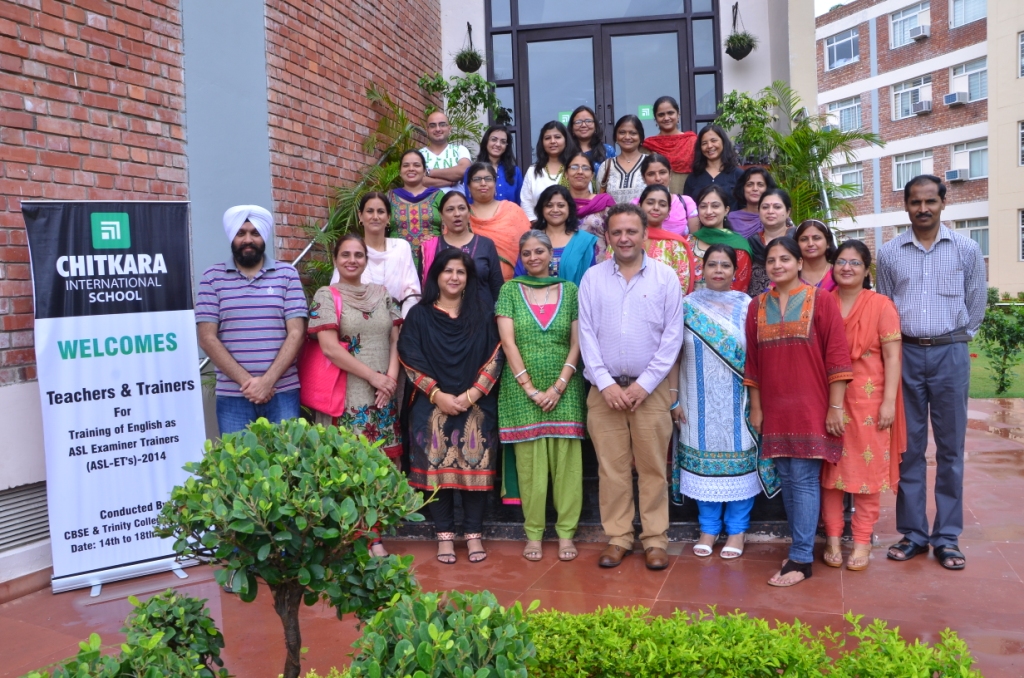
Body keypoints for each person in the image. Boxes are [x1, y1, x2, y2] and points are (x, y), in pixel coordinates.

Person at [876, 175, 986, 571]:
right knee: (908, 448)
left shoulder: (966, 249)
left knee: (951, 449)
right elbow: (885, 305)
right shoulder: (889, 252)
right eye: (915, 202)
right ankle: (914, 534)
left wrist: (955, 339)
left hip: (949, 354)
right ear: (905, 205)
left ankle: (947, 536)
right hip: (904, 354)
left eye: (930, 202)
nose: (923, 209)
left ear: (943, 203)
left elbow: (977, 302)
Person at [579, 203, 683, 571]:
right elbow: (586, 335)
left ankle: (655, 540)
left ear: (644, 235)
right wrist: (606, 384)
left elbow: (672, 337)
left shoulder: (666, 277)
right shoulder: (592, 279)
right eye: (617, 232)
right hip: (604, 392)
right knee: (612, 470)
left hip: (650, 393)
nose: (624, 238)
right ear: (608, 237)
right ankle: (619, 537)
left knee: (653, 468)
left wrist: (645, 384)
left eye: (631, 231)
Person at [745, 237, 852, 587]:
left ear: (799, 263)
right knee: (788, 479)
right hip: (775, 407)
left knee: (803, 480)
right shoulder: (756, 306)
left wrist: (835, 407)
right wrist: (757, 408)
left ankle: (802, 558)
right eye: (771, 260)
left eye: (785, 259)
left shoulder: (821, 300)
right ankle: (799, 550)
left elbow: (837, 356)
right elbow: (753, 363)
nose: (777, 265)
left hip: (812, 405)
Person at [398, 249, 504, 565]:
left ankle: (473, 535)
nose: (454, 277)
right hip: (431, 405)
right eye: (448, 271)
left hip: (477, 404)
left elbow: (497, 355)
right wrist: (437, 395)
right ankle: (444, 537)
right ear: (436, 276)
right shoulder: (419, 315)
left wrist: (472, 395)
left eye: (460, 272)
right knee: (437, 472)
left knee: (475, 469)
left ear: (468, 278)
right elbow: (409, 355)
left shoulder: (483, 314)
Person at [671, 244, 775, 559]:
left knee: (740, 465)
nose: (718, 270)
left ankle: (737, 531)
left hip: (738, 402)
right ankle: (708, 529)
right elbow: (673, 354)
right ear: (702, 269)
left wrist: (758, 403)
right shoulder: (685, 306)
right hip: (694, 400)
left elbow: (758, 357)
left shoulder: (748, 306)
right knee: (702, 466)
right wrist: (674, 399)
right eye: (712, 264)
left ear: (735, 271)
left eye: (725, 265)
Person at [309, 233, 403, 557]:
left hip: (383, 394)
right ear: (336, 259)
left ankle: (375, 535)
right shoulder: (326, 295)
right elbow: (330, 349)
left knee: (380, 466)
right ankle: (354, 539)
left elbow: (396, 339)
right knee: (349, 466)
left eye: (358, 255)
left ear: (366, 259)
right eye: (345, 255)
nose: (352, 260)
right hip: (347, 395)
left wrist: (390, 380)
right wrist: (374, 378)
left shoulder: (382, 294)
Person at [497, 231, 586, 562]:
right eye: (527, 253)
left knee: (568, 467)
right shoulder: (509, 290)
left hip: (567, 390)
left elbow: (577, 342)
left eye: (539, 251)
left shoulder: (570, 290)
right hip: (521, 393)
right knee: (530, 468)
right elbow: (508, 343)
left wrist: (559, 386)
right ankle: (533, 534)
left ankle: (566, 535)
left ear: (551, 254)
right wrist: (531, 389)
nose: (533, 257)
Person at [821, 239, 906, 571]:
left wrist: (888, 403)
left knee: (867, 475)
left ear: (866, 269)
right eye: (841, 261)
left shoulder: (881, 305)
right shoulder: (822, 303)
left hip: (871, 402)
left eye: (855, 262)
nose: (847, 268)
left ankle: (861, 542)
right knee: (830, 473)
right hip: (830, 400)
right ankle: (832, 538)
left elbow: (893, 357)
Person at [197, 205, 307, 435]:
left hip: (282, 392)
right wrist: (249, 383)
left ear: (264, 236)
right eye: (241, 233)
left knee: (287, 456)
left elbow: (297, 333)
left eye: (255, 233)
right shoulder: (212, 278)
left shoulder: (287, 275)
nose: (248, 239)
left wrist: (267, 382)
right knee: (237, 458)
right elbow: (207, 338)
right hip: (233, 396)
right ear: (232, 236)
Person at [330, 192, 420, 317]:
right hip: (358, 321)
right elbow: (337, 291)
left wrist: (404, 323)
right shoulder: (352, 251)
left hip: (400, 321)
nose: (375, 217)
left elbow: (411, 293)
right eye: (370, 211)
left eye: (381, 212)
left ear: (388, 217)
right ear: (360, 216)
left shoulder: (401, 247)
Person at [420, 190, 504, 307]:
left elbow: (497, 288)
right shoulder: (430, 247)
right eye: (450, 209)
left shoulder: (486, 244)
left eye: (462, 208)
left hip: (483, 315)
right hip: (440, 315)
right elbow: (423, 289)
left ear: (469, 213)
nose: (457, 214)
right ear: (441, 215)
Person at [514, 185, 598, 287]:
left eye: (561, 205)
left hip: (576, 296)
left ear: (569, 208)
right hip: (531, 296)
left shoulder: (584, 241)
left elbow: (592, 279)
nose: (555, 210)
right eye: (549, 205)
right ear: (541, 209)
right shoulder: (531, 239)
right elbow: (519, 276)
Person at [465, 162, 532, 281]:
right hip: (473, 283)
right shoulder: (462, 215)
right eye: (477, 179)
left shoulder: (512, 210)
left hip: (513, 284)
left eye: (488, 179)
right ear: (469, 186)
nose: (483, 183)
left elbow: (529, 245)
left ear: (495, 184)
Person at [688, 185, 751, 293]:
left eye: (715, 206)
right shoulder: (687, 242)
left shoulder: (739, 245)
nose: (708, 211)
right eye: (703, 206)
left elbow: (740, 287)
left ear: (726, 210)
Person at [637, 184, 697, 295]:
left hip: (663, 303)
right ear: (639, 206)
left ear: (669, 210)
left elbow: (681, 285)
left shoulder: (676, 244)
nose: (656, 207)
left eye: (662, 204)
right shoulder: (626, 238)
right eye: (650, 203)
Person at [389, 150, 443, 266]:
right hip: (396, 263)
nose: (411, 169)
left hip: (433, 262)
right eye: (406, 165)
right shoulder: (389, 198)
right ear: (400, 171)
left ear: (424, 171)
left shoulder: (439, 196)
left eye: (416, 165)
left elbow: (452, 228)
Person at [630, 153, 699, 236]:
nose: (658, 178)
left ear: (670, 174)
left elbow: (694, 239)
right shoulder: (635, 205)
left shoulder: (686, 202)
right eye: (651, 174)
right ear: (643, 178)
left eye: (662, 172)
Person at [641, 96, 698, 194]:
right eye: (661, 115)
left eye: (670, 113)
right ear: (655, 118)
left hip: (689, 197)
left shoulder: (692, 142)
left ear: (678, 114)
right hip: (657, 199)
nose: (666, 118)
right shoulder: (648, 146)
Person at [521, 120, 576, 221]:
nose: (552, 141)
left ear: (566, 140)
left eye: (557, 137)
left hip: (571, 226)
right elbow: (526, 202)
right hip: (539, 227)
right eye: (547, 138)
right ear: (542, 142)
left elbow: (583, 197)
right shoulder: (533, 171)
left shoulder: (574, 168)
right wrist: (536, 224)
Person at [566, 153, 616, 262]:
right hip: (566, 265)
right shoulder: (559, 205)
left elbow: (616, 236)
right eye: (574, 167)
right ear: (566, 174)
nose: (580, 171)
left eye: (585, 168)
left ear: (592, 175)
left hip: (599, 265)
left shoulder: (604, 203)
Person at [683, 124, 744, 210]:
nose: (709, 146)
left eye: (713, 140)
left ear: (723, 142)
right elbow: (687, 209)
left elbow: (745, 208)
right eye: (704, 143)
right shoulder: (693, 178)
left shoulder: (739, 175)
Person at [747, 188, 795, 297]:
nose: (770, 211)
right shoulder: (752, 243)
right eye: (765, 207)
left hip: (794, 300)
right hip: (757, 302)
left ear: (788, 212)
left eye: (777, 207)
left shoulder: (798, 239)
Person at [466, 125, 523, 205]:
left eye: (503, 142)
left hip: (510, 213)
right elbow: (469, 202)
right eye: (494, 139)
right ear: (486, 141)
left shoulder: (515, 171)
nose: (498, 144)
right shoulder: (471, 171)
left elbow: (519, 203)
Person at [597, 115, 647, 205]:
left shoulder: (651, 163)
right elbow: (600, 199)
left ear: (641, 137)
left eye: (633, 133)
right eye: (622, 132)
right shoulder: (606, 166)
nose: (627, 137)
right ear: (616, 136)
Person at [420, 110, 472, 193]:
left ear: (449, 128)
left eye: (442, 125)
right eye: (432, 126)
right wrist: (450, 182)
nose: (438, 129)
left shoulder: (460, 150)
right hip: (428, 201)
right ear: (427, 130)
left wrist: (429, 172)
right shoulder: (419, 155)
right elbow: (419, 180)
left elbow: (463, 171)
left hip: (457, 201)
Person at [729, 167, 778, 238]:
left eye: (760, 185)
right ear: (742, 188)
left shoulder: (777, 216)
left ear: (768, 188)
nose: (755, 189)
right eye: (750, 184)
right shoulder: (732, 219)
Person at [569, 105, 616, 172]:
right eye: (578, 122)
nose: (583, 125)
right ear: (572, 128)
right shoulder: (565, 151)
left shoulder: (607, 150)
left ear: (595, 125)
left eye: (588, 121)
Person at [795, 219, 838, 291]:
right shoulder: (789, 274)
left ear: (828, 243)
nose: (810, 244)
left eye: (816, 238)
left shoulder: (840, 272)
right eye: (804, 239)